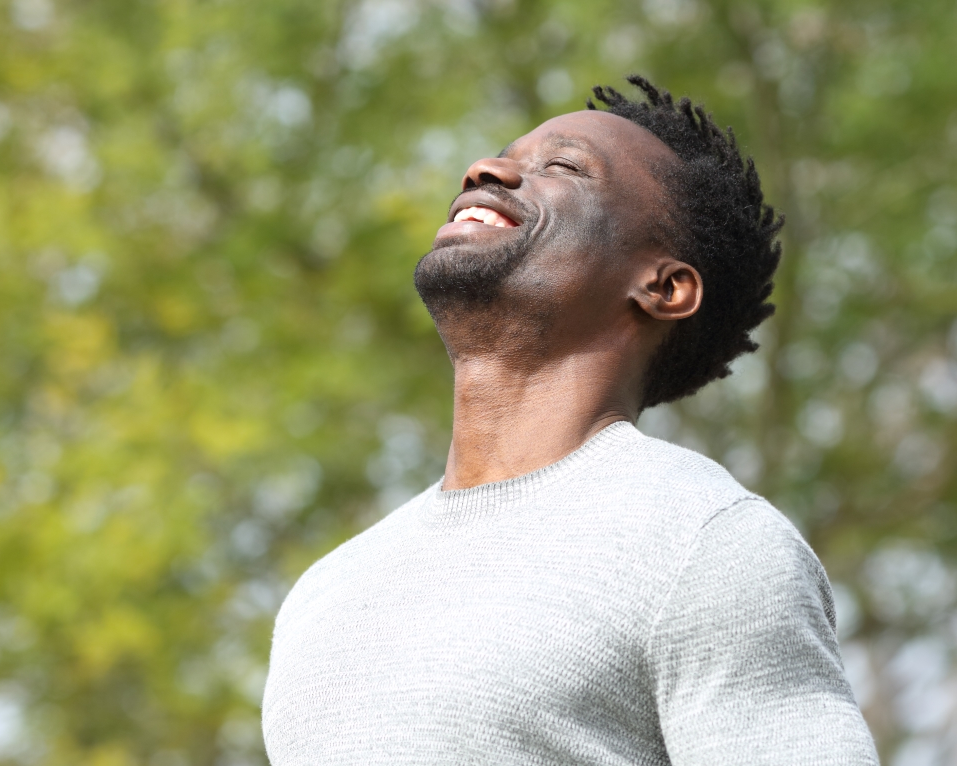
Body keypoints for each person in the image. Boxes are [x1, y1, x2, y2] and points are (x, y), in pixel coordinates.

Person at [261, 76, 879, 765]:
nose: (485, 171)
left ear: (663, 286)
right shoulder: (327, 591)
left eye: (562, 167)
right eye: (502, 157)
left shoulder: (704, 541)